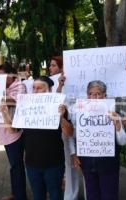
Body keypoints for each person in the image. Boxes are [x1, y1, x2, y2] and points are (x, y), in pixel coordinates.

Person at [71, 80, 126, 200]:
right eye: (90, 94)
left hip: (108, 164)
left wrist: (118, 126)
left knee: (109, 195)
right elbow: (75, 136)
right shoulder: (80, 114)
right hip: (87, 163)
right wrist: (74, 154)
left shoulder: (113, 114)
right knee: (92, 195)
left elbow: (123, 141)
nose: (93, 97)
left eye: (98, 94)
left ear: (104, 96)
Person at [23, 76, 73, 200]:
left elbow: (70, 132)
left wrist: (61, 117)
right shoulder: (26, 107)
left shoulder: (60, 108)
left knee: (56, 195)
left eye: (39, 88)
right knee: (38, 196)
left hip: (53, 164)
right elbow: (13, 130)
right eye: (34, 88)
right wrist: (4, 113)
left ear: (49, 90)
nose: (35, 91)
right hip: (31, 164)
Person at [49, 56, 82, 200]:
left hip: (84, 124)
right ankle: (70, 195)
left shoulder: (79, 79)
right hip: (66, 125)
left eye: (54, 65)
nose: (50, 68)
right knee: (70, 162)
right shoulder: (54, 84)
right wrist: (60, 85)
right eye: (50, 65)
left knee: (86, 162)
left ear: (62, 68)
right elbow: (54, 102)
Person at [0, 64, 27, 200]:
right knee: (14, 165)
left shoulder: (20, 87)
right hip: (5, 130)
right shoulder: (4, 89)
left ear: (11, 75)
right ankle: (16, 193)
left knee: (17, 164)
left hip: (16, 132)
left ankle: (20, 196)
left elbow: (13, 102)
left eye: (1, 76)